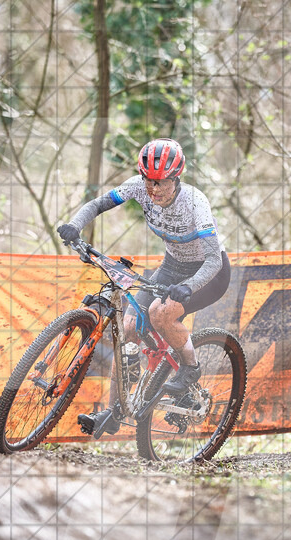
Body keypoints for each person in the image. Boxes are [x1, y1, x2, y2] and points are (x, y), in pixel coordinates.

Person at [56, 138, 231, 438]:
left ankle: (190, 367)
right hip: (172, 266)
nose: (153, 189)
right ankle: (114, 412)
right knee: (129, 326)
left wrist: (189, 287)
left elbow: (213, 260)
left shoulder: (195, 201)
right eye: (149, 180)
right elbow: (98, 204)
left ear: (176, 178)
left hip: (209, 273)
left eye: (161, 182)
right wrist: (75, 224)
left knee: (160, 314)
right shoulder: (137, 187)